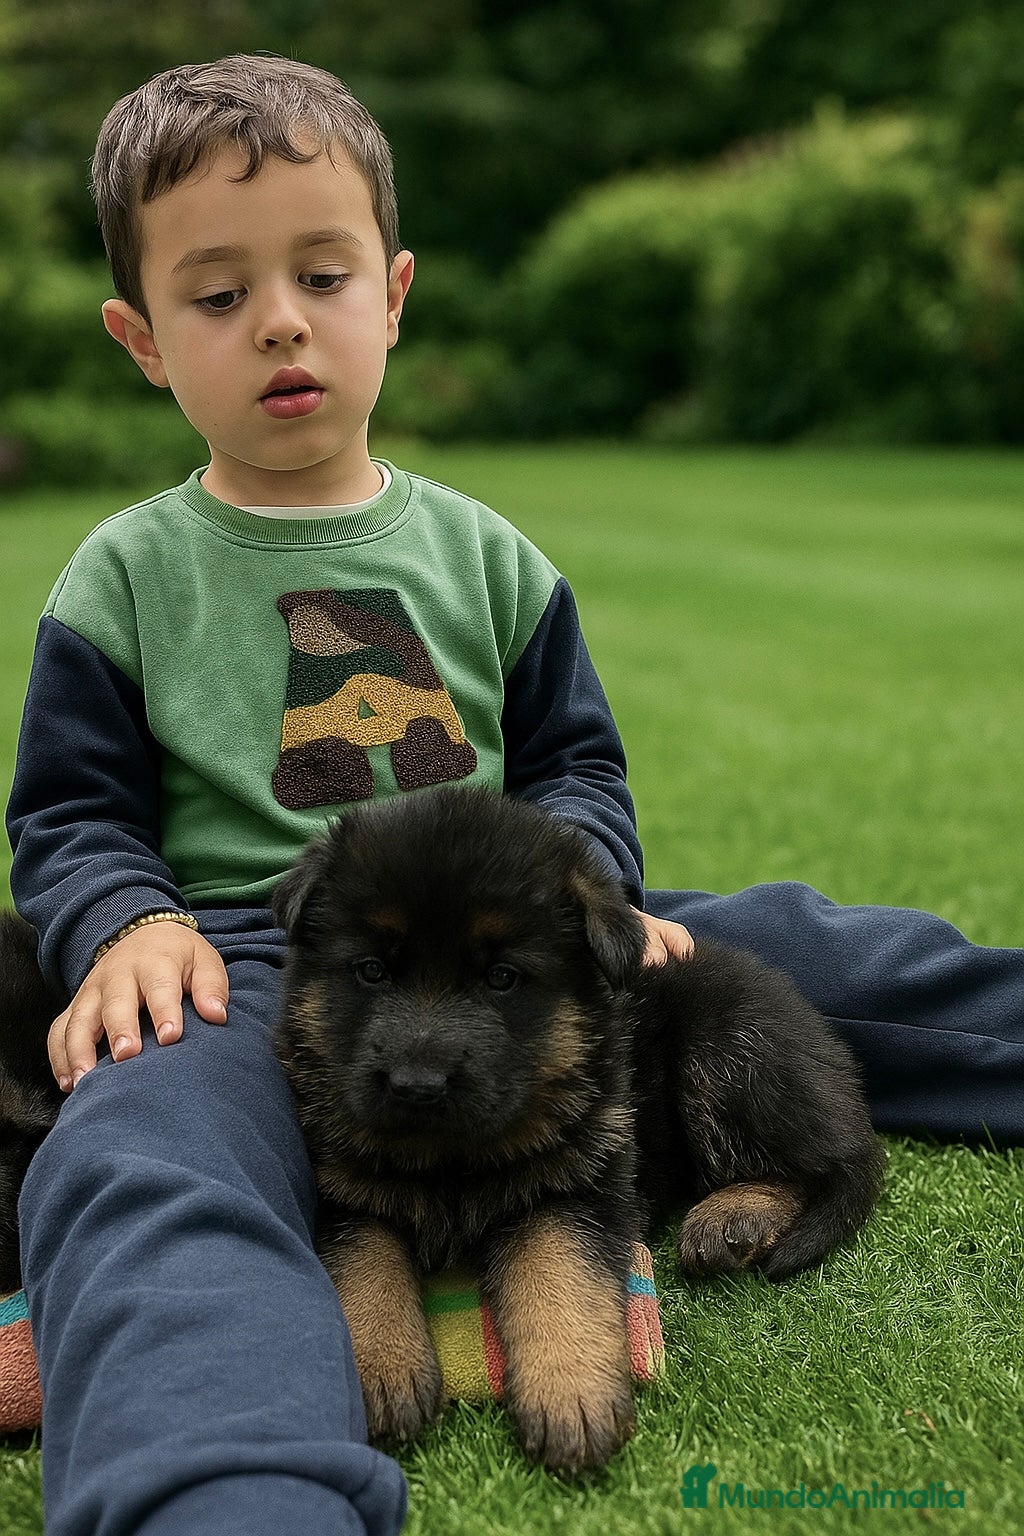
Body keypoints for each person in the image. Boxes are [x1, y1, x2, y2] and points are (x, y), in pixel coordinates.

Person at [4, 50, 1022, 1536]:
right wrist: (122, 922)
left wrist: (599, 891)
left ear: (394, 294)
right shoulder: (124, 576)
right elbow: (67, 816)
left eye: (324, 274)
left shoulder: (485, 555)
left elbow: (574, 767)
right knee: (146, 1150)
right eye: (217, 297)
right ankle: (222, 1489)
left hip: (517, 926)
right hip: (240, 960)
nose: (280, 320)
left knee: (825, 953)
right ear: (142, 339)